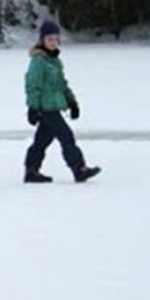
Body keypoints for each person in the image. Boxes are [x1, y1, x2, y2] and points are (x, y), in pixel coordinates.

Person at [23, 19, 101, 183]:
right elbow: (32, 85)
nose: (53, 42)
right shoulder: (39, 61)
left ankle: (31, 171)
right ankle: (79, 168)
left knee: (41, 141)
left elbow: (62, 85)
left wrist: (72, 102)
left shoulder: (55, 61)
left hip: (54, 106)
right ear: (42, 40)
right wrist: (33, 108)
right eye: (49, 39)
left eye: (55, 39)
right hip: (45, 108)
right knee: (66, 136)